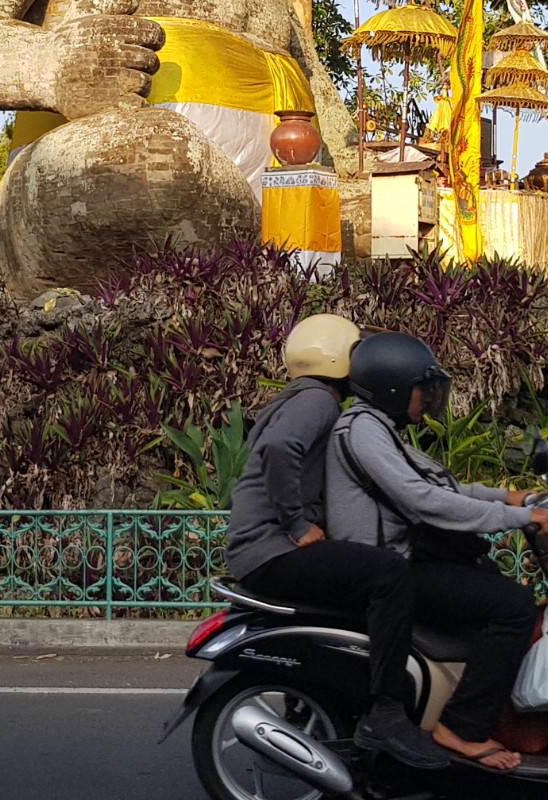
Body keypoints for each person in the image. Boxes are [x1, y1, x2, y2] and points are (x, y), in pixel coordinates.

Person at [326, 331, 548, 772]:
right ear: (393, 388)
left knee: (495, 584)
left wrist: (510, 498)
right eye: (425, 390)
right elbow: (422, 500)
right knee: (513, 606)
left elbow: (443, 488)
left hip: (402, 560)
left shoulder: (379, 428)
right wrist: (519, 518)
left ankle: (472, 704)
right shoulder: (362, 429)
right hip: (388, 567)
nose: (430, 400)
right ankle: (461, 727)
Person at [224, 314, 449, 771]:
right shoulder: (318, 400)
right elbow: (279, 449)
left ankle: (316, 703)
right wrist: (298, 524)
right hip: (272, 550)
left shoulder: (304, 398)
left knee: (362, 586)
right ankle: (385, 714)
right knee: (388, 575)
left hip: (262, 550)